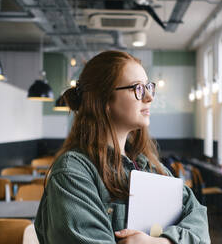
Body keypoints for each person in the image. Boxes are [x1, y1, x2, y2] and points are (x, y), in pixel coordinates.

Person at [34, 50, 210, 244]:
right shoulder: (72, 173)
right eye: (138, 89)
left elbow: (199, 221)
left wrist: (163, 242)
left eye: (148, 87)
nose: (149, 97)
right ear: (104, 99)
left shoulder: (146, 165)